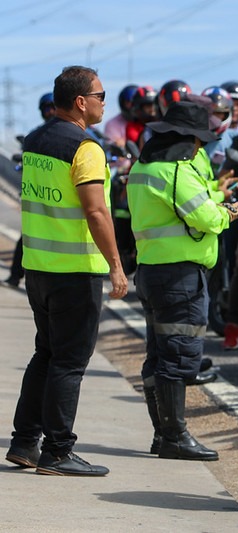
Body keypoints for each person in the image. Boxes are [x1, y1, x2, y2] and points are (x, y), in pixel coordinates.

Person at [5, 65, 128, 476]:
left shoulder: (37, 140)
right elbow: (95, 210)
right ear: (81, 102)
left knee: (46, 354)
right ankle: (57, 452)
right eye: (100, 95)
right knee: (70, 361)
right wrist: (115, 265)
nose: (103, 102)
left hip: (39, 266)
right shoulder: (85, 148)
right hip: (76, 270)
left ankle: (25, 443)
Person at [127, 100, 238, 461]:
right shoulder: (177, 171)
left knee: (159, 356)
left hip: (152, 271)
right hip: (180, 277)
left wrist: (214, 194)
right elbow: (205, 219)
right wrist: (225, 213)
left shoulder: (144, 167)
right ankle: (175, 437)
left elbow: (183, 203)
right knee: (178, 357)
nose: (201, 148)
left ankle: (163, 435)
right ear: (190, 139)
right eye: (200, 141)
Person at [5, 92, 58, 288]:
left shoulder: (74, 133)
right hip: (39, 192)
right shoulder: (36, 136)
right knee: (28, 234)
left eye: (54, 106)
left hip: (62, 193)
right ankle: (15, 275)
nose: (51, 111)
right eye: (47, 108)